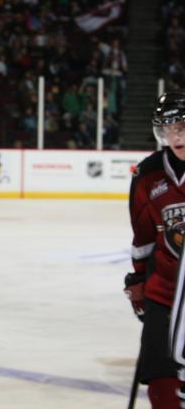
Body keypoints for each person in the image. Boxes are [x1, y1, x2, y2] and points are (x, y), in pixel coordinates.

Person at [126, 90, 185, 408]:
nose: (175, 137)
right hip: (164, 291)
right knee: (161, 373)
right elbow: (143, 237)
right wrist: (138, 282)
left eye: (182, 127)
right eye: (168, 129)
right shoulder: (148, 175)